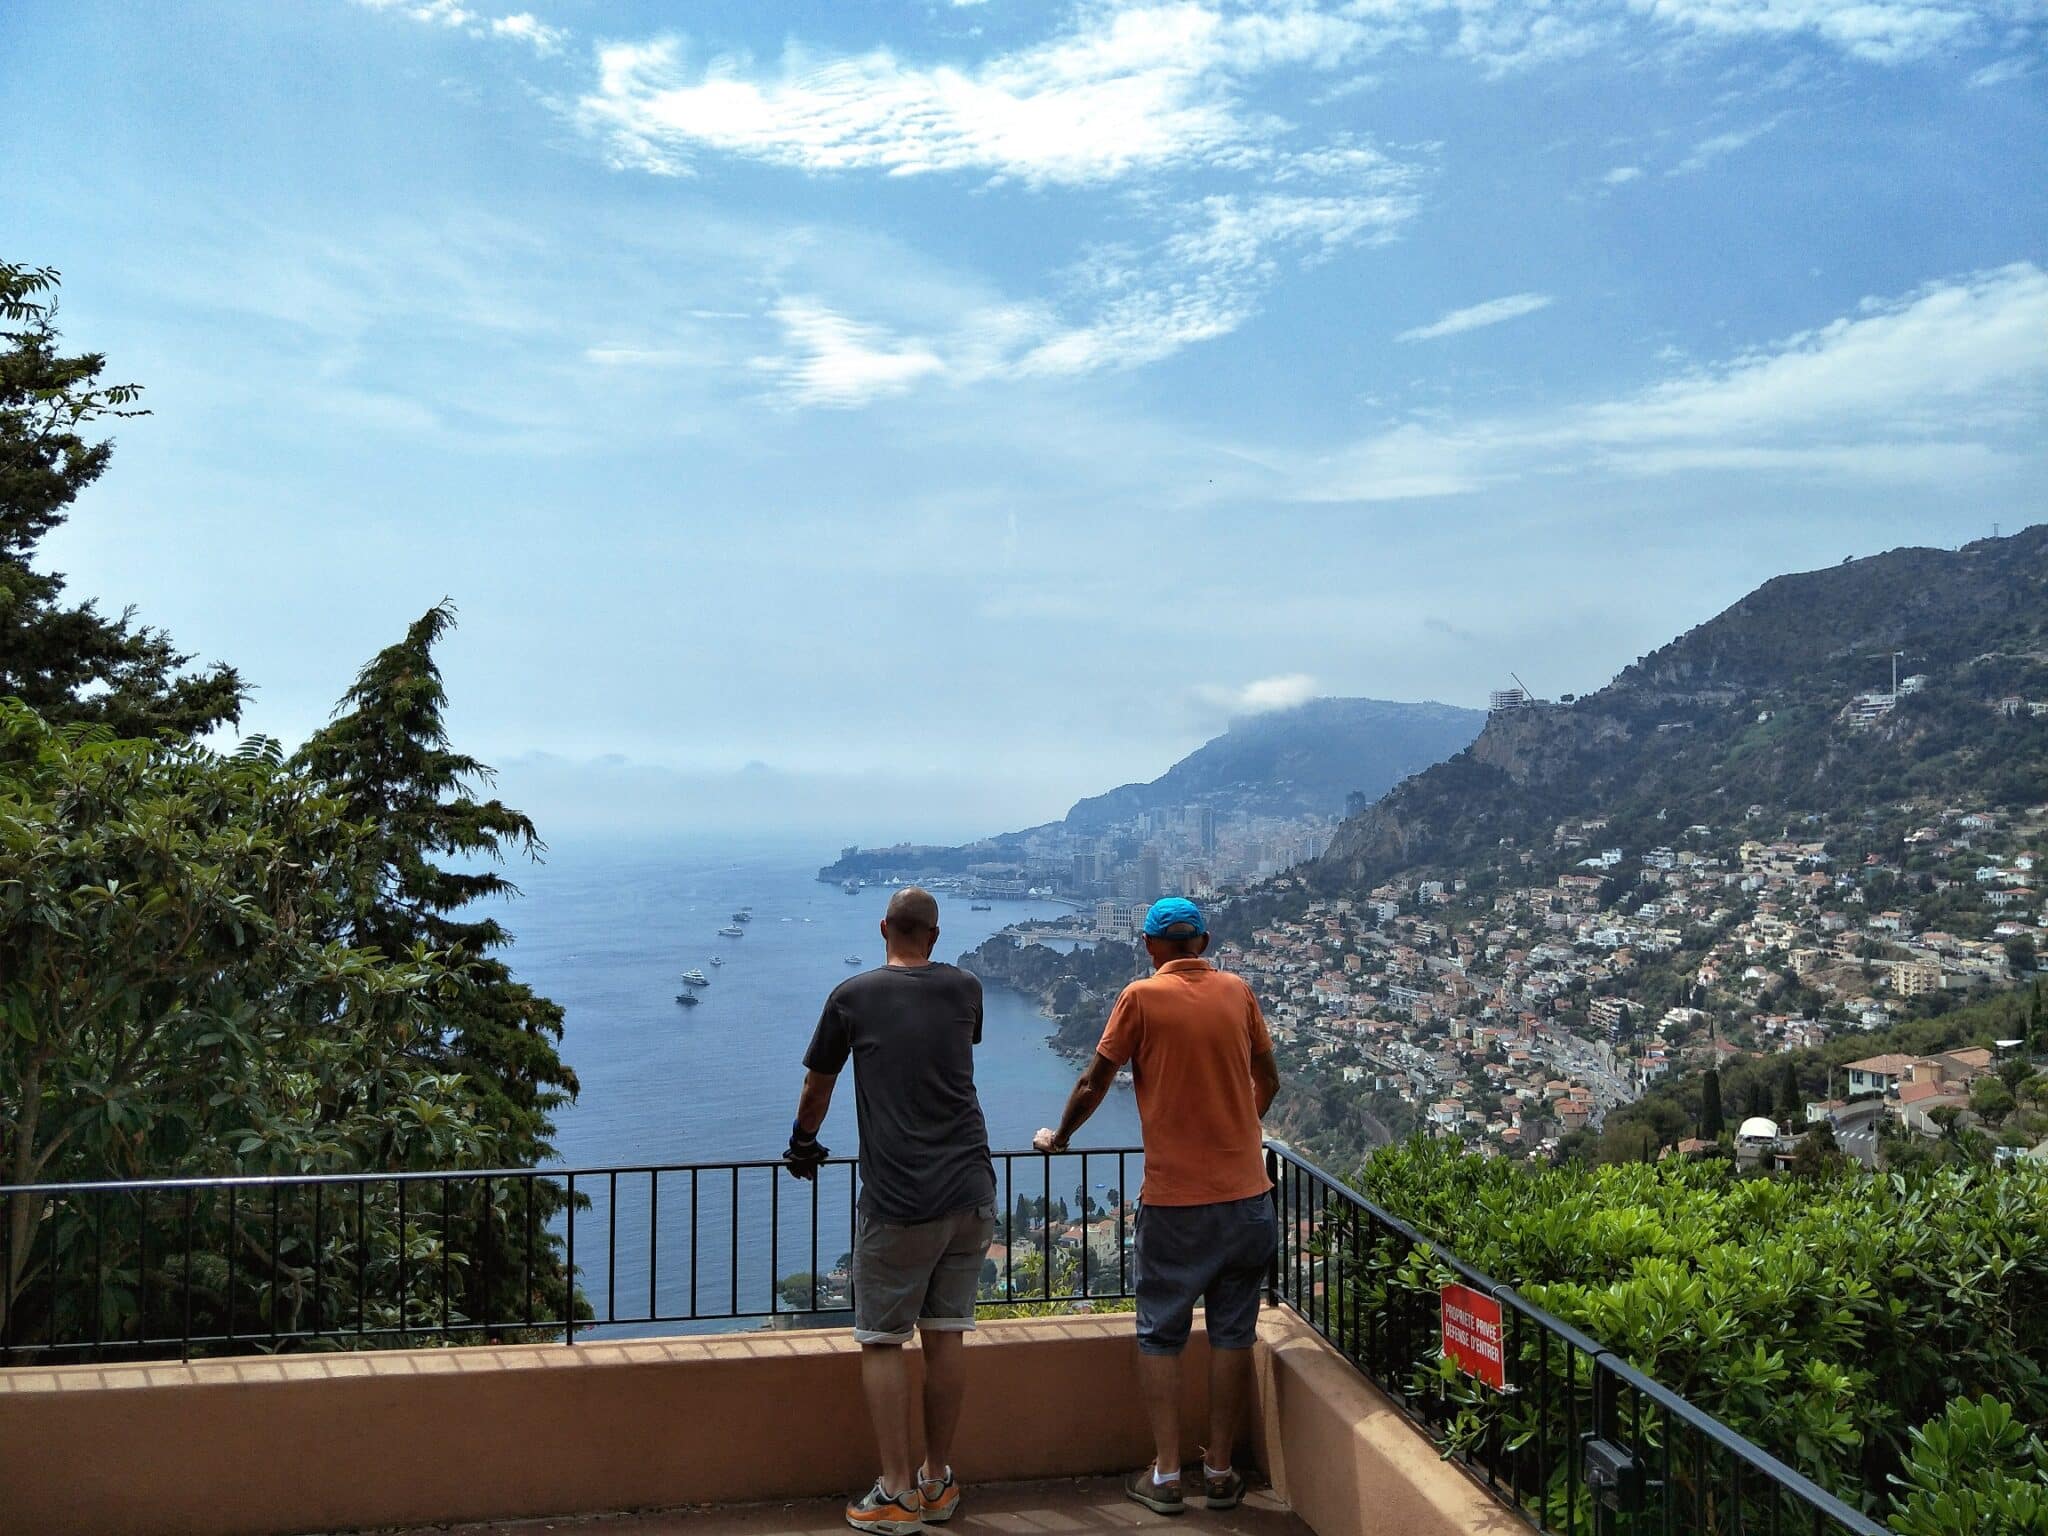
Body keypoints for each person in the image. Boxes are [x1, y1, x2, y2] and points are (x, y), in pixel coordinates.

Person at [1034, 896, 1280, 1517]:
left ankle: (1168, 1475)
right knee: (1233, 1334)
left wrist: (1059, 1139)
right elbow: (1269, 1080)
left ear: (1149, 946)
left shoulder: (1140, 998)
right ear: (1203, 941)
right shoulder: (1239, 993)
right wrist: (1238, 1134)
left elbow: (1094, 1080)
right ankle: (1221, 1472)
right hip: (1249, 1198)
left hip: (1176, 1202)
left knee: (1161, 1334)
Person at [785, 886, 997, 1535]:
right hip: (971, 1190)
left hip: (901, 1197)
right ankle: (937, 1480)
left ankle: (897, 1492)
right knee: (946, 1333)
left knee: (881, 1339)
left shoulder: (853, 997)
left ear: (884, 928)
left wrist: (801, 1144)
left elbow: (818, 1085)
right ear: (934, 935)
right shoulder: (966, 990)